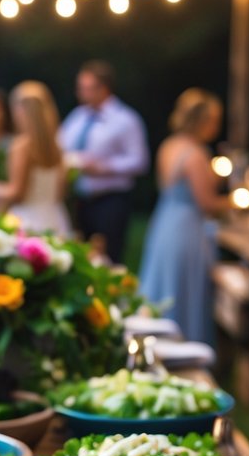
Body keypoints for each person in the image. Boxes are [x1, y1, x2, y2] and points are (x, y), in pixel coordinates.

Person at [139, 88, 229, 344]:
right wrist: (238, 203)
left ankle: (156, 344)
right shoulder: (196, 154)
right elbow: (208, 203)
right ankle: (184, 346)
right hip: (187, 228)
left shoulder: (168, 146)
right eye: (214, 120)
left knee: (164, 286)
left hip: (165, 221)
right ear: (201, 121)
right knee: (184, 290)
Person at [58, 60, 149, 262]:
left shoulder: (126, 119)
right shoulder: (78, 116)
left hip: (110, 200)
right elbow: (61, 146)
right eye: (80, 88)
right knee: (82, 255)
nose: (81, 94)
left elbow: (140, 161)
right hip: (81, 199)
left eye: (87, 88)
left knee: (108, 257)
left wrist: (104, 167)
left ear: (104, 88)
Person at [0, 81, 71, 235]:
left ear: (21, 110)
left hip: (27, 220)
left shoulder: (22, 146)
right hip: (55, 216)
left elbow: (16, 192)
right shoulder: (58, 146)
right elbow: (60, 192)